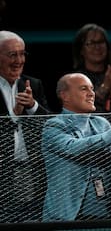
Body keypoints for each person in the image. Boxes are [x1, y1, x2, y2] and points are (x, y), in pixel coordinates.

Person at [41, 73, 111, 221]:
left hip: (100, 213)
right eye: (84, 89)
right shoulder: (54, 126)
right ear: (65, 96)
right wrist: (110, 136)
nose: (91, 94)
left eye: (92, 89)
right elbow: (72, 148)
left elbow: (107, 155)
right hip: (64, 215)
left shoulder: (102, 124)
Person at [0, 30, 50, 222]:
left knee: (30, 218)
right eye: (12, 54)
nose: (19, 60)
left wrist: (32, 106)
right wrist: (12, 116)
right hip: (3, 169)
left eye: (22, 54)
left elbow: (50, 124)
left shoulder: (33, 85)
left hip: (31, 169)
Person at [72, 23, 111, 112]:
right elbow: (80, 109)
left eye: (101, 42)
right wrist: (106, 86)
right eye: (91, 43)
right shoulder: (75, 80)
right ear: (81, 49)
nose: (97, 47)